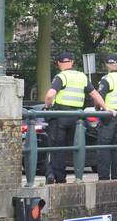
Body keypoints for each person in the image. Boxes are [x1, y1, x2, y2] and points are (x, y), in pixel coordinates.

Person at [43, 51, 110, 184]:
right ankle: (77, 177)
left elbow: (50, 95)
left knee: (56, 147)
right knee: (76, 147)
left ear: (58, 63)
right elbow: (95, 94)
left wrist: (47, 106)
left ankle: (57, 177)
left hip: (61, 115)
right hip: (77, 117)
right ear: (72, 62)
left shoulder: (61, 76)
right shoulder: (81, 76)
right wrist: (106, 108)